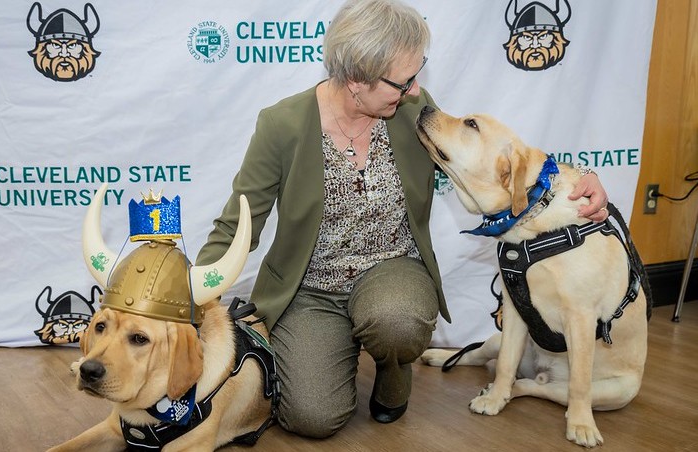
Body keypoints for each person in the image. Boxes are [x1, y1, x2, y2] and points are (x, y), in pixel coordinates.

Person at [196, 0, 609, 439]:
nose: (414, 90)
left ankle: (394, 367)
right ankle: (332, 349)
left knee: (398, 321)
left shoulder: (413, 111)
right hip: (309, 288)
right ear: (356, 78)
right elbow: (236, 223)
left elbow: (492, 161)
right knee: (311, 418)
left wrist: (582, 178)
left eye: (418, 74)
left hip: (392, 269)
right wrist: (186, 298)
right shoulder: (282, 125)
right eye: (403, 80)